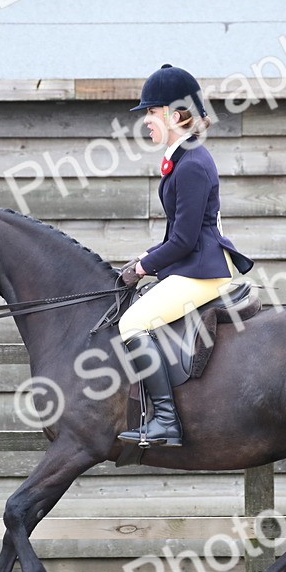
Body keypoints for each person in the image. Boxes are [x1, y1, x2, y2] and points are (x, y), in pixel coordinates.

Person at [117, 63, 254, 448]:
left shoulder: (192, 163)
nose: (146, 120)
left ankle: (165, 421)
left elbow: (185, 240)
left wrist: (143, 267)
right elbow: (176, 234)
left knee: (132, 325)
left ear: (176, 115)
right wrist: (142, 257)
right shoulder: (185, 158)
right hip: (192, 265)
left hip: (202, 271)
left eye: (151, 112)